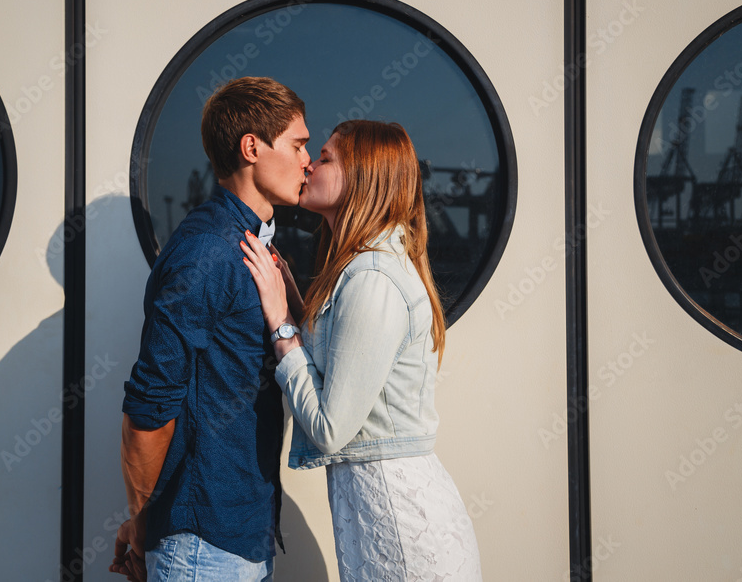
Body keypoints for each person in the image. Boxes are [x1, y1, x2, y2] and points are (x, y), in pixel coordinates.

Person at [240, 120, 483, 581]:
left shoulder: (372, 277)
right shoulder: (361, 268)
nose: (309, 162)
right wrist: (296, 305)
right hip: (383, 512)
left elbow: (331, 429)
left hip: (399, 523)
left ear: (364, 177)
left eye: (326, 157)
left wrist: (281, 324)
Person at [111, 76, 311, 581]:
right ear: (252, 147)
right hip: (203, 548)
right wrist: (141, 523)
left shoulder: (253, 244)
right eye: (298, 144)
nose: (308, 160)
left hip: (240, 533)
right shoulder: (208, 253)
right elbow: (148, 410)